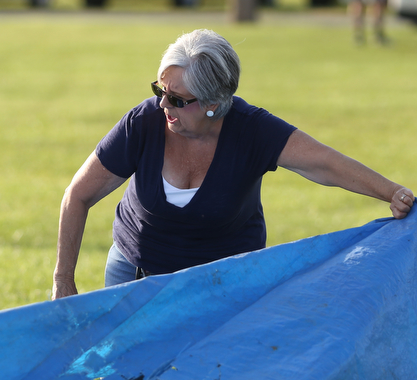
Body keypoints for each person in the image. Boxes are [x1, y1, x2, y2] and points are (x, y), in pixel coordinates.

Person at [52, 29, 414, 299]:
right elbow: (77, 196)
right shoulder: (143, 123)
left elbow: (326, 163)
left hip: (224, 287)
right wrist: (63, 281)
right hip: (135, 276)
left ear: (213, 102)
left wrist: (392, 192)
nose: (163, 105)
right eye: (159, 90)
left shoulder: (252, 129)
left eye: (177, 99)